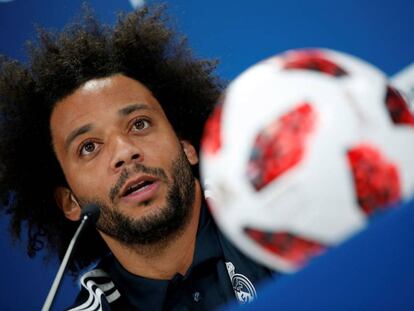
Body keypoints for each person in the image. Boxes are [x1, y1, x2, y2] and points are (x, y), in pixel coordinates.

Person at [0, 6, 272, 310]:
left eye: (139, 124)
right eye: (89, 147)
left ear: (187, 147)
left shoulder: (283, 221)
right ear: (70, 202)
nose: (124, 151)